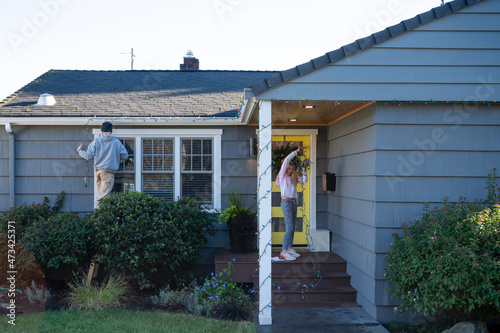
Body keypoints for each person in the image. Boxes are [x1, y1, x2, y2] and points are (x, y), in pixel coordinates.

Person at [77, 121, 128, 200]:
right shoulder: (117, 142)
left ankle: (100, 211)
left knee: (102, 195)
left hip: (98, 172)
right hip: (108, 173)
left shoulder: (96, 141)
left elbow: (88, 156)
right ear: (111, 131)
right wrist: (115, 155)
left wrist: (80, 151)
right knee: (103, 198)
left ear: (102, 131)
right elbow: (125, 156)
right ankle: (97, 212)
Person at [276, 146, 308, 261]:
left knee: (292, 226)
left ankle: (289, 248)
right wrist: (296, 152)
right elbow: (285, 161)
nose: (289, 170)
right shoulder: (282, 176)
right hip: (286, 202)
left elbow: (304, 180)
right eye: (288, 169)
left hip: (294, 202)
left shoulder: (294, 177)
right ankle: (283, 251)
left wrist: (304, 171)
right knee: (289, 227)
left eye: (291, 169)